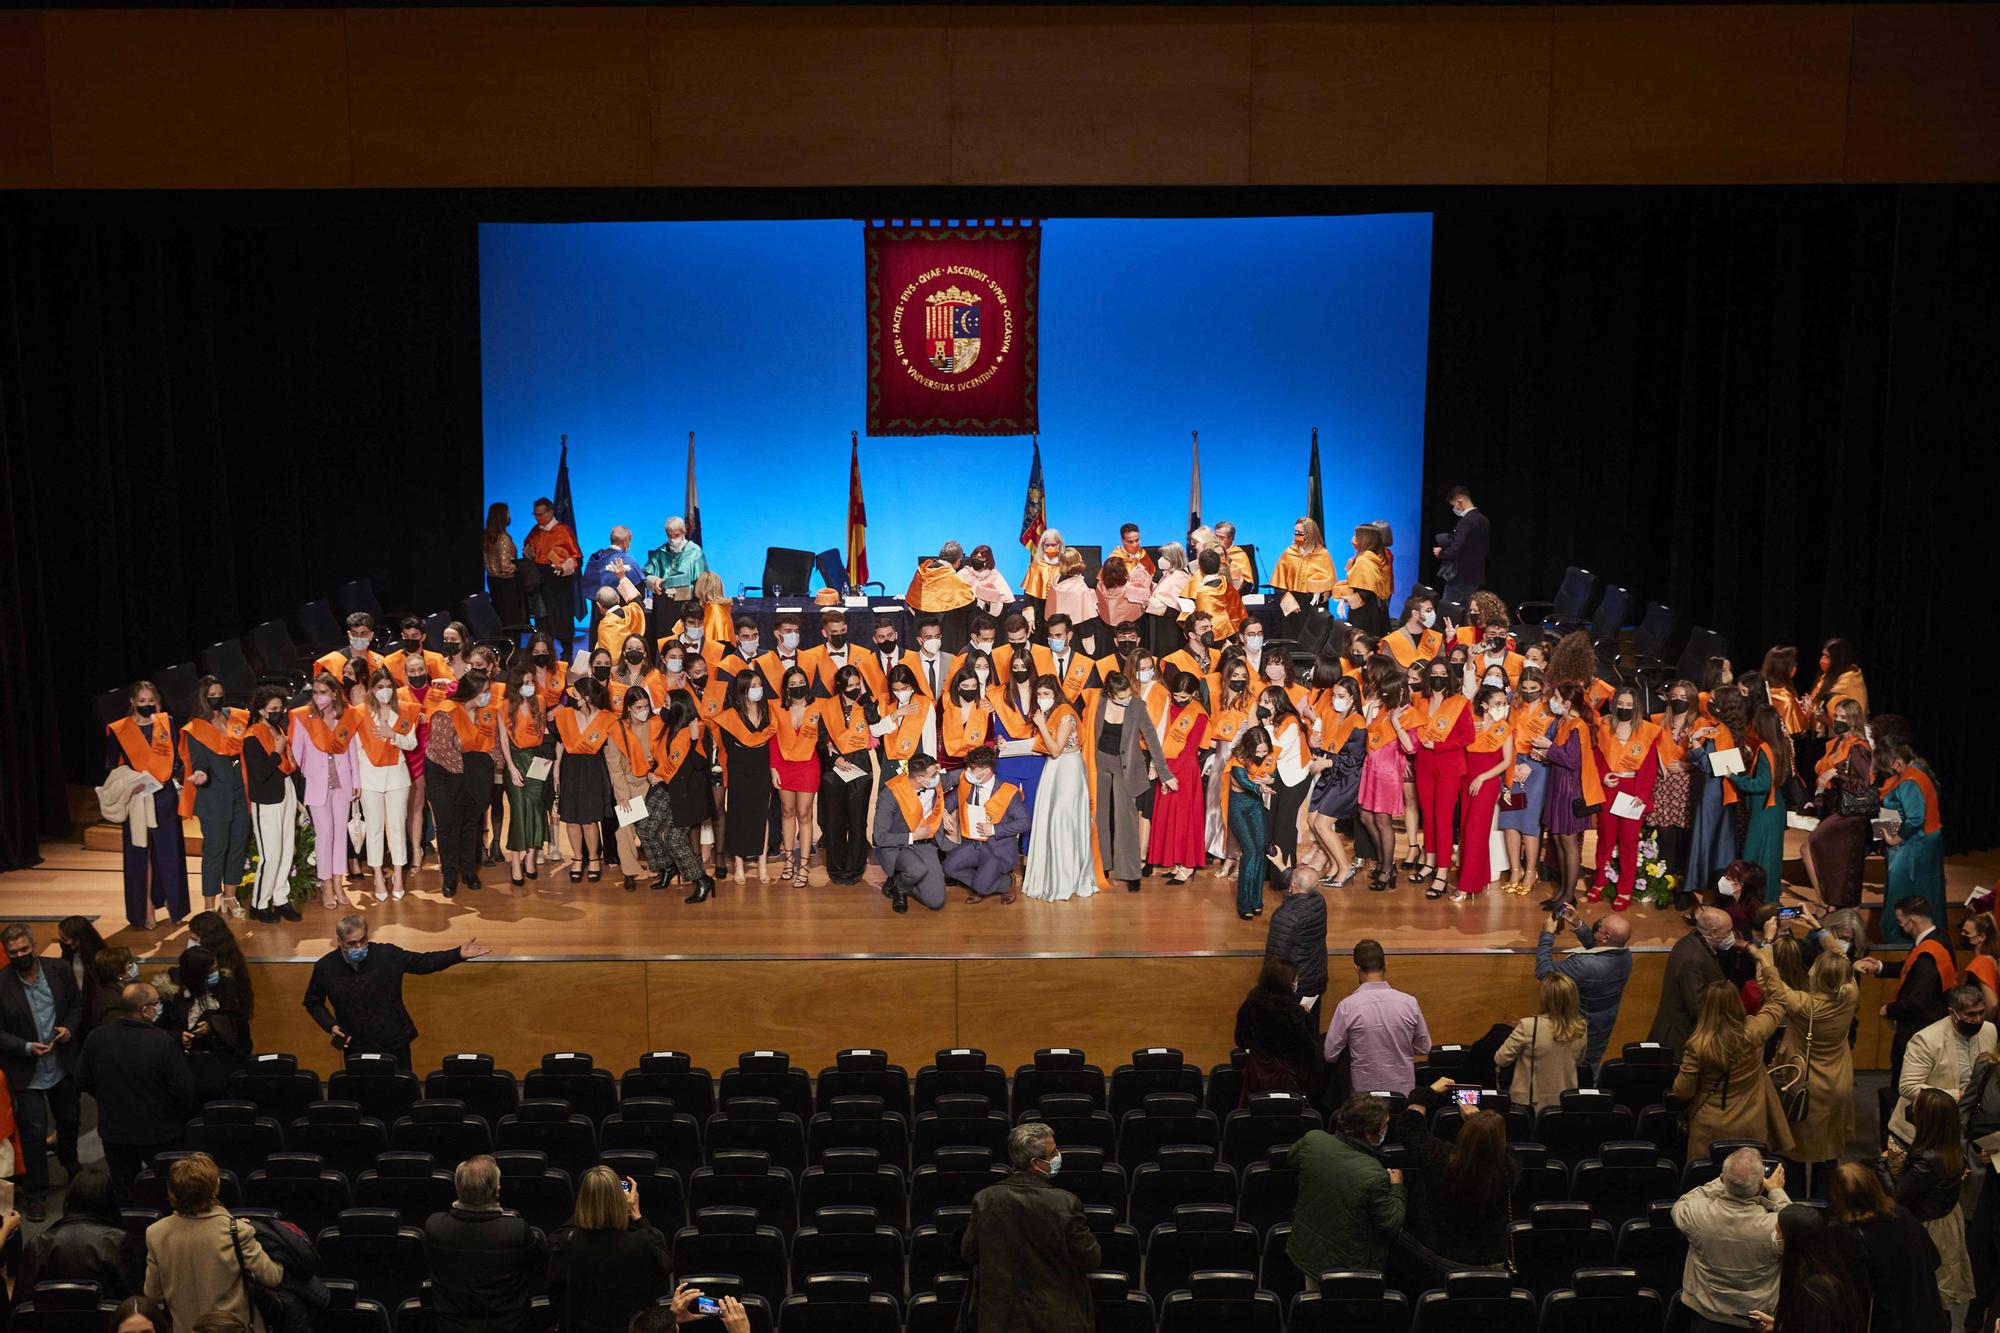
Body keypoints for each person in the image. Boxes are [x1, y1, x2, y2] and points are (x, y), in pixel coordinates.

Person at [961, 1122, 1099, 1333]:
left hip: (1002, 1321)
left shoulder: (984, 1199)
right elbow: (1091, 1259)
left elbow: (968, 1253)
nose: (1058, 1156)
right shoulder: (1066, 1203)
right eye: (1053, 1153)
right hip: (1057, 1321)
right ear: (1035, 1163)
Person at [302, 914, 490, 1068]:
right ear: (340, 941)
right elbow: (313, 1001)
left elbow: (422, 963)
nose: (359, 947)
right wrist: (331, 1026)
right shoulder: (325, 967)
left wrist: (457, 954)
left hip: (394, 1040)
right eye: (352, 943)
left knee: (401, 1091)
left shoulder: (386, 955)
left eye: (363, 940)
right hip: (355, 1044)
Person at [1756, 937, 1859, 1198]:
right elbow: (1842, 957)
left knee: (1795, 1150)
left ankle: (1799, 1205)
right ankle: (1824, 1207)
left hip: (1805, 1083)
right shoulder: (1850, 994)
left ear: (1818, 977)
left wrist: (1767, 940)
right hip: (1838, 1081)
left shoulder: (1802, 1004)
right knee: (1829, 1151)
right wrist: (1817, 927)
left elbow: (1769, 978)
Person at [1383, 1082, 1517, 1281]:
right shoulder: (1511, 1167)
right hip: (1491, 1262)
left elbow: (1410, 1127)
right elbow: (1493, 1149)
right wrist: (1480, 1125)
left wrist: (1426, 1094)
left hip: (1437, 1258)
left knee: (1394, 1233)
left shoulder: (1440, 1157)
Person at [76, 982, 193, 1197]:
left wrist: (107, 1097)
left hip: (115, 1130)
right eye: (157, 1003)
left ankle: (129, 1228)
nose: (159, 1007)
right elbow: (184, 1089)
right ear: (144, 1010)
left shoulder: (97, 1038)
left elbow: (83, 1079)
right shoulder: (163, 1043)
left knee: (124, 1189)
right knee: (167, 1189)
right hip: (160, 1132)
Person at [142, 1153, 282, 1332]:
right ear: (215, 1188)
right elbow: (272, 1276)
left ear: (172, 1191)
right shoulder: (236, 1232)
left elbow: (152, 1294)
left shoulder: (156, 1233)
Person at [0, 922, 83, 1220]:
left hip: (61, 1063)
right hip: (27, 1070)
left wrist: (68, 1030)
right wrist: (24, 1046)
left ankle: (72, 1164)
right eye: (13, 952)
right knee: (33, 1134)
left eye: (24, 949)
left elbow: (76, 1006)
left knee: (70, 1119)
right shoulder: (1, 984)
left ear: (34, 945)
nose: (20, 955)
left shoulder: (59, 970)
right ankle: (37, 1193)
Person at [1672, 970, 1794, 1163]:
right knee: (1748, 1181)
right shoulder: (1755, 1031)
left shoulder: (1698, 1045)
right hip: (1751, 1121)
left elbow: (1683, 1092)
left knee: (1708, 1184)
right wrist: (1766, 963)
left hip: (1709, 1127)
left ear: (1706, 1007)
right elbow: (1778, 1001)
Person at [101, 680, 192, 931]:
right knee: (140, 853)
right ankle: (146, 908)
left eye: (150, 701)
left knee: (170, 852)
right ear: (132, 702)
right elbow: (112, 766)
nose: (146, 705)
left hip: (163, 795)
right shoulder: (119, 729)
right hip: (137, 796)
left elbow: (176, 757)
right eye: (141, 701)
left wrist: (169, 775)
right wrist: (133, 782)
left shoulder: (167, 722)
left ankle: (176, 907)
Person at [1674, 1147, 1792, 1333]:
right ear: (1761, 1186)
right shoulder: (1775, 1226)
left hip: (1706, 1317)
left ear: (1723, 1179)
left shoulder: (1697, 1214)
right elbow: (1797, 1228)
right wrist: (1777, 1191)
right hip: (1758, 1320)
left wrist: (1724, 1181)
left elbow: (1683, 1202)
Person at [1288, 1094, 1406, 1280]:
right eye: (1385, 1126)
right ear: (1369, 1133)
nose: (1387, 1130)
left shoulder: (1312, 1140)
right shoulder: (1375, 1175)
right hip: (1349, 1266)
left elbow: (1293, 1161)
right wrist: (1397, 1187)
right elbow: (1392, 1223)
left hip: (1307, 1249)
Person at [425, 1155, 548, 1333]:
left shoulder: (435, 1227)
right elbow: (538, 1265)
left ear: (459, 1189)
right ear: (497, 1192)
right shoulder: (515, 1231)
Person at [1881, 1087, 1976, 1312]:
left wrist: (1883, 1166)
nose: (1911, 1110)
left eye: (1916, 1108)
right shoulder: (1950, 1145)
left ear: (1927, 1119)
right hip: (1947, 1218)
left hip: (1929, 1228)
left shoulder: (1928, 1160)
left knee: (1925, 1294)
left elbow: (1896, 1199)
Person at [546, 1165, 673, 1333]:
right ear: (619, 1201)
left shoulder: (567, 1243)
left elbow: (555, 1294)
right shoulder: (641, 1241)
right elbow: (666, 1267)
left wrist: (591, 1206)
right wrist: (637, 1215)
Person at [1827, 1161, 1948, 1333]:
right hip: (1928, 1317)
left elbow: (1858, 1297)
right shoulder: (1902, 1214)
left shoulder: (1851, 1238)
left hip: (1890, 1322)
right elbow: (1935, 1260)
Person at [1864, 896, 1960, 1091]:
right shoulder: (1940, 938)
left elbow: (1918, 1000)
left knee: (1905, 1087)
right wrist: (1880, 967)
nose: (1900, 926)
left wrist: (1889, 1009)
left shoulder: (1927, 954)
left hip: (1917, 1032)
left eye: (1900, 922)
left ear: (1912, 922)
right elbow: (1910, 968)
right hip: (1935, 1024)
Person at [1080, 674, 1165, 893]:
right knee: (1099, 816)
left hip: (1125, 766)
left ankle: (1131, 872)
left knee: (1125, 818)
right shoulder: (1096, 702)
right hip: (1099, 763)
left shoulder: (1136, 706)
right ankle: (1103, 866)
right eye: (1122, 698)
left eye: (1129, 695)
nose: (1127, 700)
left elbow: (1152, 739)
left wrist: (1164, 772)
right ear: (1109, 694)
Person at [15, 1166, 144, 1302]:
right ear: (110, 1201)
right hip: (107, 1321)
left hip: (49, 1322)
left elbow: (21, 1304)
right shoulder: (118, 1241)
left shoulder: (38, 1244)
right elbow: (134, 1300)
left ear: (70, 1199)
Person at [178, 679, 251, 920]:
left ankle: (229, 896)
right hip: (213, 796)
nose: (217, 698)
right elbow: (199, 761)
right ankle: (209, 905)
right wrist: (199, 773)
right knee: (216, 848)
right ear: (203, 698)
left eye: (220, 694)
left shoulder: (236, 718)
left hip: (240, 792)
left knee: (237, 846)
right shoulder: (196, 728)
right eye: (212, 695)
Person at [1886, 984, 1993, 1145]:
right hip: (1928, 1125)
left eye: (1981, 1013)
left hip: (1968, 1122)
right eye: (1971, 1014)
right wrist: (1959, 1095)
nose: (1978, 1020)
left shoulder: (1989, 1030)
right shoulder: (1926, 1040)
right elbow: (1908, 1087)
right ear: (1952, 1013)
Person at [1323, 939, 1430, 1097]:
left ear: (1356, 968)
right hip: (1403, 1096)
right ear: (1386, 964)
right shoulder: (1409, 1003)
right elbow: (1424, 1047)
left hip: (1363, 1100)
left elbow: (1330, 1054)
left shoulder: (1347, 1006)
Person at [1535, 906, 1634, 1075]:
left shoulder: (1583, 965)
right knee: (1590, 1072)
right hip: (1602, 1030)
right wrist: (1577, 924)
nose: (1599, 921)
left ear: (1606, 936)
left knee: (1565, 1074)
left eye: (1602, 924)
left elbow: (1544, 972)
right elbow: (1600, 948)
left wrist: (1547, 934)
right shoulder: (1625, 956)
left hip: (1576, 1033)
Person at [1022, 677, 1095, 903]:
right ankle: (1049, 876)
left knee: (1063, 822)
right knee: (1049, 819)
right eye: (1039, 695)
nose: (1042, 698)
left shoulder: (1065, 715)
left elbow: (1055, 750)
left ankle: (1067, 879)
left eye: (1046, 694)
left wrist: (1041, 724)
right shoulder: (1052, 713)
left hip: (1068, 770)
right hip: (1053, 770)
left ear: (1056, 694)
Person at [1594, 684, 1662, 910]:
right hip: (1610, 788)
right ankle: (1600, 881)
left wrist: (1642, 795)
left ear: (1637, 707)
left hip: (1633, 790)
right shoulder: (1604, 726)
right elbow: (1598, 758)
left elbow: (1650, 767)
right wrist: (1603, 777)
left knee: (1629, 842)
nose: (1624, 708)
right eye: (1620, 704)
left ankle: (1624, 889)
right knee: (1605, 838)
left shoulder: (1646, 731)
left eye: (1629, 705)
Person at [941, 745, 1031, 904]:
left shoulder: (1009, 792)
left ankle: (1006, 882)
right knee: (949, 867)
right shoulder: (966, 784)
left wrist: (995, 829)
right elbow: (950, 801)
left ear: (987, 771)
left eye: (972, 769)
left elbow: (1025, 822)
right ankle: (983, 883)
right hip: (973, 844)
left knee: (981, 887)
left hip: (997, 849)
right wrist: (944, 813)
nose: (967, 772)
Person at [1756, 1204, 1866, 1333]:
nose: (1776, 1237)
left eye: (1779, 1232)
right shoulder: (1829, 1269)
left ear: (1793, 1241)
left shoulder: (1813, 1289)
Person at [715, 669, 778, 884]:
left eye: (759, 685)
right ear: (742, 689)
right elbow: (728, 745)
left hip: (762, 768)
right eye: (752, 686)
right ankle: (739, 863)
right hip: (740, 769)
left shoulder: (768, 710)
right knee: (738, 814)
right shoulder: (730, 714)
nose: (757, 689)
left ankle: (762, 864)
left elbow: (772, 742)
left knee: (762, 814)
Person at [1880, 741, 1947, 943]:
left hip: (1915, 845)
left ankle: (1897, 939)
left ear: (1896, 762)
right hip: (1919, 842)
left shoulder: (1910, 780)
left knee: (1900, 890)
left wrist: (1894, 839)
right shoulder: (1914, 771)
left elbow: (1916, 818)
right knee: (1921, 888)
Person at [1146, 670, 1208, 883]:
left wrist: (1169, 775)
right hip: (1165, 765)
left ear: (1193, 694)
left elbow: (1191, 748)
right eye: (1176, 696)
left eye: (1184, 697)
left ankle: (1188, 865)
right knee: (1168, 817)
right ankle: (1175, 862)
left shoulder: (1198, 713)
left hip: (1183, 770)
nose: (1179, 700)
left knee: (1184, 818)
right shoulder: (1166, 706)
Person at [1494, 972, 1588, 1110]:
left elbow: (1500, 1059)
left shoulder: (1528, 1026)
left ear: (1545, 998)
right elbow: (1579, 1061)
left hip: (1529, 1103)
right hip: (1565, 1102)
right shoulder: (1581, 1028)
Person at [1235, 957, 1320, 1098]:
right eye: (1295, 980)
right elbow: (1309, 1050)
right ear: (1287, 983)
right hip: (1287, 1078)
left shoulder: (1251, 1003)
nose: (1296, 983)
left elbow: (1240, 1039)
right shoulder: (1294, 1014)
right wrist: (1308, 1018)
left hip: (1256, 1074)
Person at [873, 753, 948, 914]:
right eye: (934, 774)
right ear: (920, 779)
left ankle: (903, 882)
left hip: (925, 845)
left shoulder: (932, 783)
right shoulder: (889, 795)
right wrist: (913, 836)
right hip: (898, 846)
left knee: (936, 902)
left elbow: (958, 776)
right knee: (916, 869)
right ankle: (899, 888)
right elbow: (879, 837)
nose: (938, 776)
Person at [1652, 906, 1733, 1049]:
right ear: (1713, 932)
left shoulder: (1692, 941)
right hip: (1680, 1039)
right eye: (1728, 931)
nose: (1731, 935)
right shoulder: (1693, 959)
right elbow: (1698, 1006)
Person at [1265, 850, 1329, 1021]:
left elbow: (1276, 956)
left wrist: (1267, 987)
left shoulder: (1285, 917)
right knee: (1310, 1028)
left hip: (1295, 986)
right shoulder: (1319, 901)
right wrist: (1280, 863)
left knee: (1291, 1032)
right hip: (1316, 979)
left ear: (1292, 886)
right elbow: (1301, 885)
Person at [1225, 725, 1277, 918]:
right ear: (1249, 747)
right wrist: (1260, 788)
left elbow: (1272, 773)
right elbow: (1244, 781)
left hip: (1255, 806)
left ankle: (1256, 900)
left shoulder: (1265, 757)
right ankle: (1244, 904)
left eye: (1265, 750)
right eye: (1259, 751)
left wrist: (1268, 780)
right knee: (1250, 852)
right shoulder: (1237, 759)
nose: (1262, 754)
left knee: (1260, 851)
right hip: (1238, 807)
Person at [522, 496, 582, 658]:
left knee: (562, 618)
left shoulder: (563, 531)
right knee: (542, 619)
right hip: (539, 582)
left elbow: (576, 557)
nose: (537, 518)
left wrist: (563, 567)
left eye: (541, 514)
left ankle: (567, 653)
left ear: (550, 512)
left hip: (559, 583)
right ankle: (544, 653)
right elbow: (528, 547)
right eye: (535, 514)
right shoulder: (535, 531)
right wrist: (528, 551)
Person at [642, 515, 707, 605]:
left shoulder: (695, 552)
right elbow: (644, 575)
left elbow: (703, 582)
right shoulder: (660, 552)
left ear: (684, 532)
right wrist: (653, 580)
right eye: (669, 536)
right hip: (664, 604)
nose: (673, 539)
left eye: (676, 535)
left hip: (688, 605)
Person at [482, 502, 524, 630]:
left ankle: (503, 644)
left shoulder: (487, 537)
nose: (509, 516)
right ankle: (511, 646)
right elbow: (505, 566)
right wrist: (519, 567)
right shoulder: (503, 538)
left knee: (500, 615)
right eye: (508, 513)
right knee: (510, 619)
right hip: (507, 584)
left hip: (493, 581)